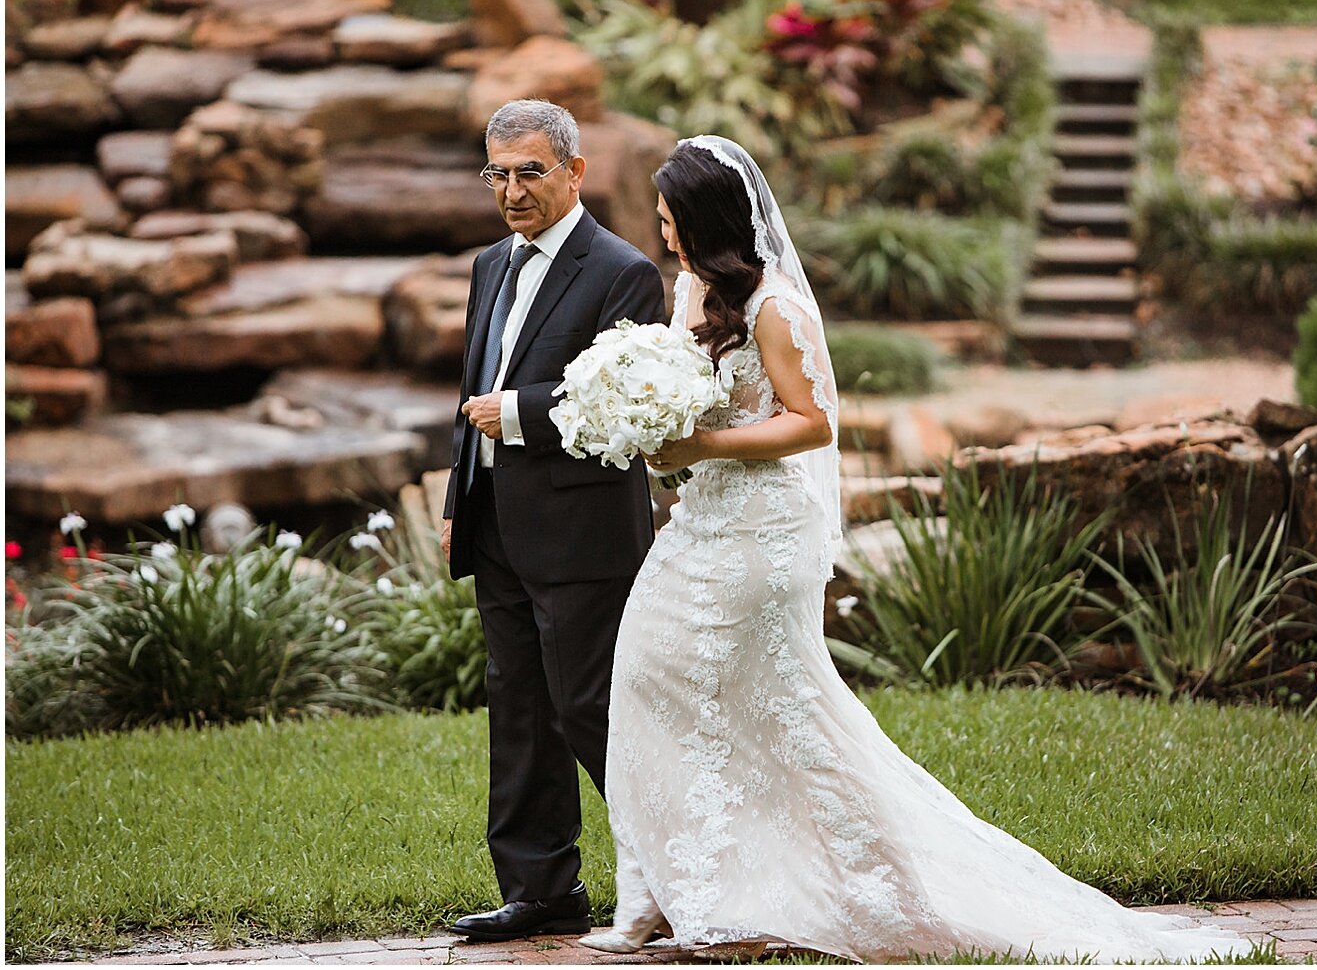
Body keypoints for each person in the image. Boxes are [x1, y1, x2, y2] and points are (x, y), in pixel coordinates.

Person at [577, 136, 1252, 963]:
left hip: (762, 530)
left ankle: (812, 890)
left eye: (672, 218)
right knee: (644, 674)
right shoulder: (691, 291)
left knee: (781, 711)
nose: (663, 232)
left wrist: (705, 444)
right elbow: (685, 390)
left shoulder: (775, 308)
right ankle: (659, 894)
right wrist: (647, 417)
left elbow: (812, 422)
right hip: (700, 521)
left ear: (710, 221)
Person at [442, 99, 666, 942]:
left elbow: (623, 404)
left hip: (581, 533)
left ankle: (681, 869)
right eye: (497, 173)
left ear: (576, 171)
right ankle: (540, 889)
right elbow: (468, 391)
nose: (511, 190)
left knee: (590, 706)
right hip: (496, 521)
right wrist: (458, 499)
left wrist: (522, 412)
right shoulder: (487, 265)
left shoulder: (623, 272)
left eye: (529, 171)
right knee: (519, 707)